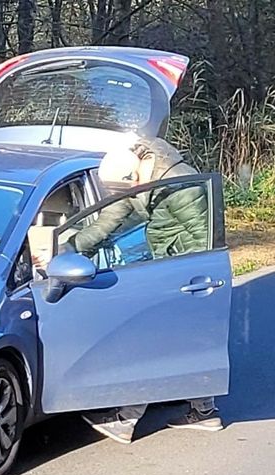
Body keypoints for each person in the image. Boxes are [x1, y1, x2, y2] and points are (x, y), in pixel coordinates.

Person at [74, 136, 223, 444]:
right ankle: (205, 412)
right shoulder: (137, 177)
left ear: (135, 177)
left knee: (153, 342)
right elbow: (107, 224)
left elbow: (204, 241)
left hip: (183, 275)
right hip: (169, 266)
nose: (124, 195)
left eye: (125, 189)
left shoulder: (182, 187)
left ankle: (124, 419)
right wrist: (68, 247)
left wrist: (188, 285)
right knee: (186, 343)